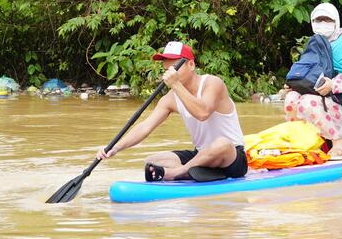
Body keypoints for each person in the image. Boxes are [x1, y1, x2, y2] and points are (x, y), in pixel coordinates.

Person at [96, 41, 248, 182]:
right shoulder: (171, 98)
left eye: (175, 67)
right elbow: (145, 126)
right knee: (152, 161)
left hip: (230, 157)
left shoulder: (212, 83)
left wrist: (175, 84)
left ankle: (177, 173)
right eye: (167, 69)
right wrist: (116, 147)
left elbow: (203, 113)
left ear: (191, 65)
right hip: (201, 155)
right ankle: (192, 171)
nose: (171, 72)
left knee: (222, 144)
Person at [284, 3, 342, 160]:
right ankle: (300, 144)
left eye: (327, 20)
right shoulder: (314, 44)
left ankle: (339, 145)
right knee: (291, 99)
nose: (323, 24)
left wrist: (334, 84)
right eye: (319, 20)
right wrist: (295, 85)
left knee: (307, 101)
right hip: (321, 98)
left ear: (336, 21)